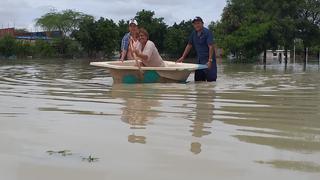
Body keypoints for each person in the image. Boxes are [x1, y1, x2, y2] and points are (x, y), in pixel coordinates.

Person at [177, 16, 217, 82]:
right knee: (198, 82)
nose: (196, 25)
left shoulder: (207, 32)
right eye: (195, 24)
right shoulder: (193, 33)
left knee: (211, 82)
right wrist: (183, 57)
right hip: (199, 61)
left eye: (198, 23)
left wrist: (210, 61)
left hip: (209, 60)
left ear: (202, 23)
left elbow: (211, 46)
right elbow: (189, 45)